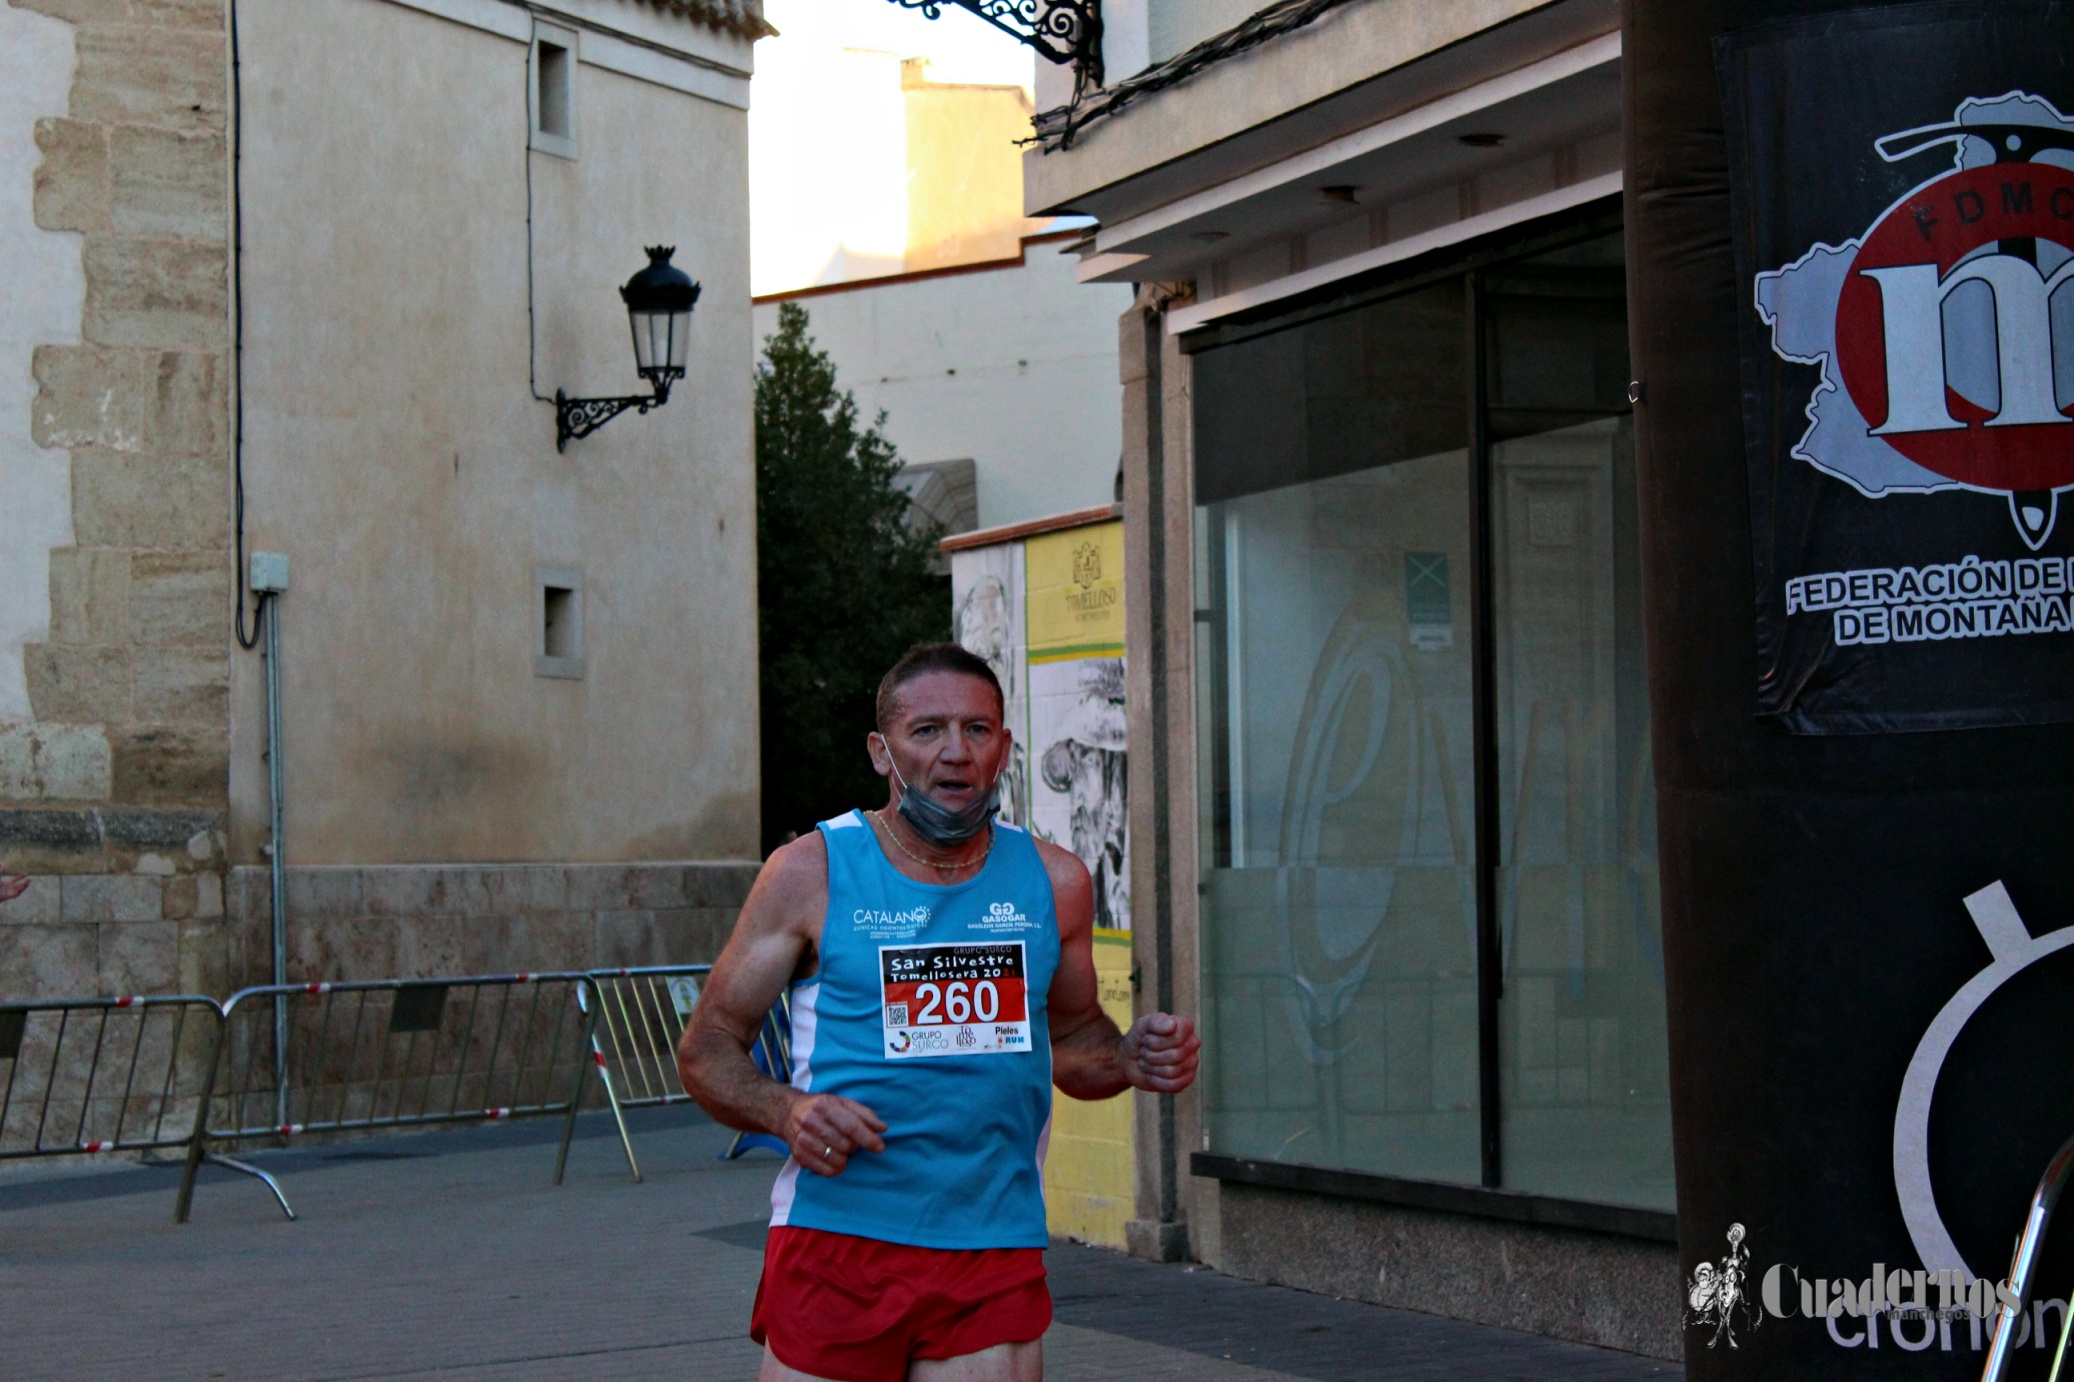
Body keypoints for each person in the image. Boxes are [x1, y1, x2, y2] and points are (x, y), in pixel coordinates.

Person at [679, 643, 1200, 1382]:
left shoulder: (1056, 881)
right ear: (881, 751)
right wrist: (785, 1111)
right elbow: (707, 1048)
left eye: (977, 730)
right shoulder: (810, 873)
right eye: (927, 731)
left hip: (992, 1242)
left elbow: (1074, 1039)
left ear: (1005, 748)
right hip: (839, 1240)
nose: (956, 753)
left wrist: (1125, 1058)